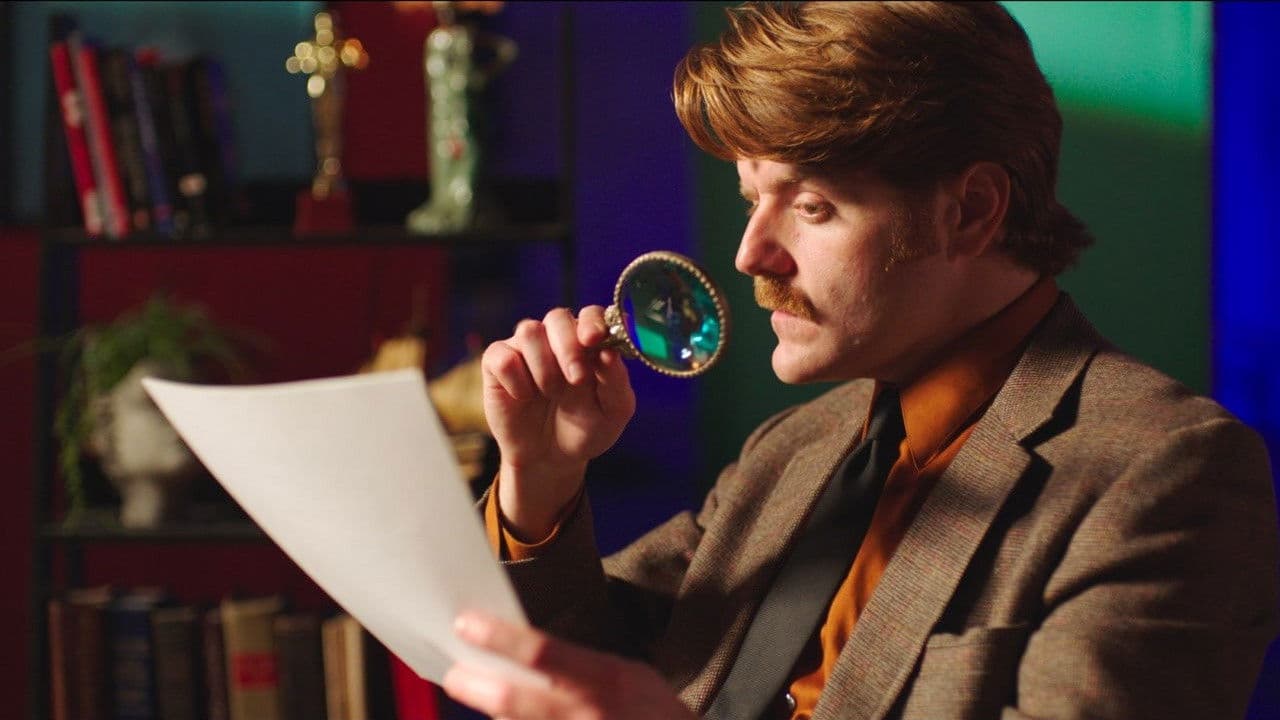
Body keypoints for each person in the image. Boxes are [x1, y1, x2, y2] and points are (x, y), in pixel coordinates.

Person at [441, 3, 1280, 718]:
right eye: (750, 200)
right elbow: (580, 664)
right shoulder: (792, 448)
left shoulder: (1168, 471)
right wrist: (541, 481)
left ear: (971, 211)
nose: (749, 254)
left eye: (811, 206)